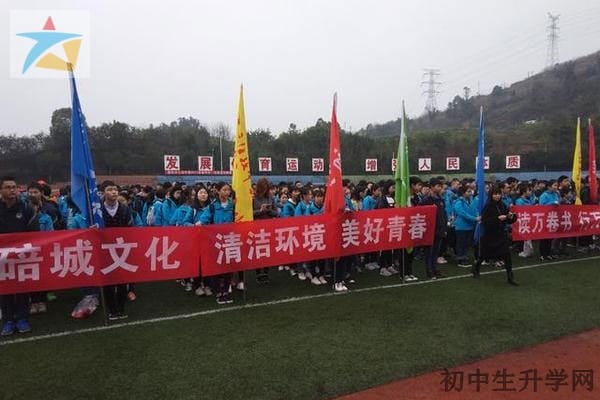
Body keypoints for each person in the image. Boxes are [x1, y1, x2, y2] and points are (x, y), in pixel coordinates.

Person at [0, 176, 40, 336]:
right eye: (8, 187)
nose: (12, 190)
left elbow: (35, 232)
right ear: (1, 190)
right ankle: (8, 320)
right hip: (2, 258)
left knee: (22, 288)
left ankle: (22, 318)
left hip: (22, 256)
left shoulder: (26, 208)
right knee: (5, 289)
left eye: (14, 187)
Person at [100, 180, 134, 320]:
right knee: (107, 281)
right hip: (104, 250)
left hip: (121, 249)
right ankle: (111, 309)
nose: (113, 192)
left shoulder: (124, 209)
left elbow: (130, 228)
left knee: (122, 280)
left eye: (115, 189)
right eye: (110, 189)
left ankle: (121, 308)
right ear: (103, 193)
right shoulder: (97, 210)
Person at [471, 185, 518, 285]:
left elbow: (508, 219)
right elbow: (485, 221)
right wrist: (497, 219)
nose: (497, 196)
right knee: (484, 255)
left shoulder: (503, 205)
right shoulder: (488, 206)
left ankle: (510, 277)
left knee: (507, 255)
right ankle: (476, 267)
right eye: (495, 194)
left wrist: (511, 216)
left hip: (501, 234)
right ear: (491, 195)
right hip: (490, 235)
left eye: (499, 194)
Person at [200, 182, 235, 305]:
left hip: (230, 239)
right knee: (217, 267)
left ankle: (226, 291)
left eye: (228, 190)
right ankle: (219, 292)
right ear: (218, 191)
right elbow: (204, 220)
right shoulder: (213, 206)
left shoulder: (233, 204)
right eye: (224, 190)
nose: (227, 192)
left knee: (229, 267)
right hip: (216, 240)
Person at [253, 178, 279, 284]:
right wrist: (260, 211)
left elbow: (276, 212)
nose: (265, 190)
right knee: (258, 251)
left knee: (268, 250)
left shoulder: (270, 197)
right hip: (257, 226)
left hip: (268, 226)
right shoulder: (253, 197)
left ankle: (266, 272)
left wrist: (269, 210)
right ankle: (258, 273)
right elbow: (249, 213)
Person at [453, 185, 480, 268]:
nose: (470, 193)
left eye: (470, 191)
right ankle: (460, 260)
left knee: (467, 244)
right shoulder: (458, 202)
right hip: (461, 226)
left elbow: (475, 210)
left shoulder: (471, 200)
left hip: (470, 226)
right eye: (468, 191)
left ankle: (464, 257)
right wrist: (475, 218)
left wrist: (478, 216)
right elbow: (462, 213)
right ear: (463, 193)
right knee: (461, 243)